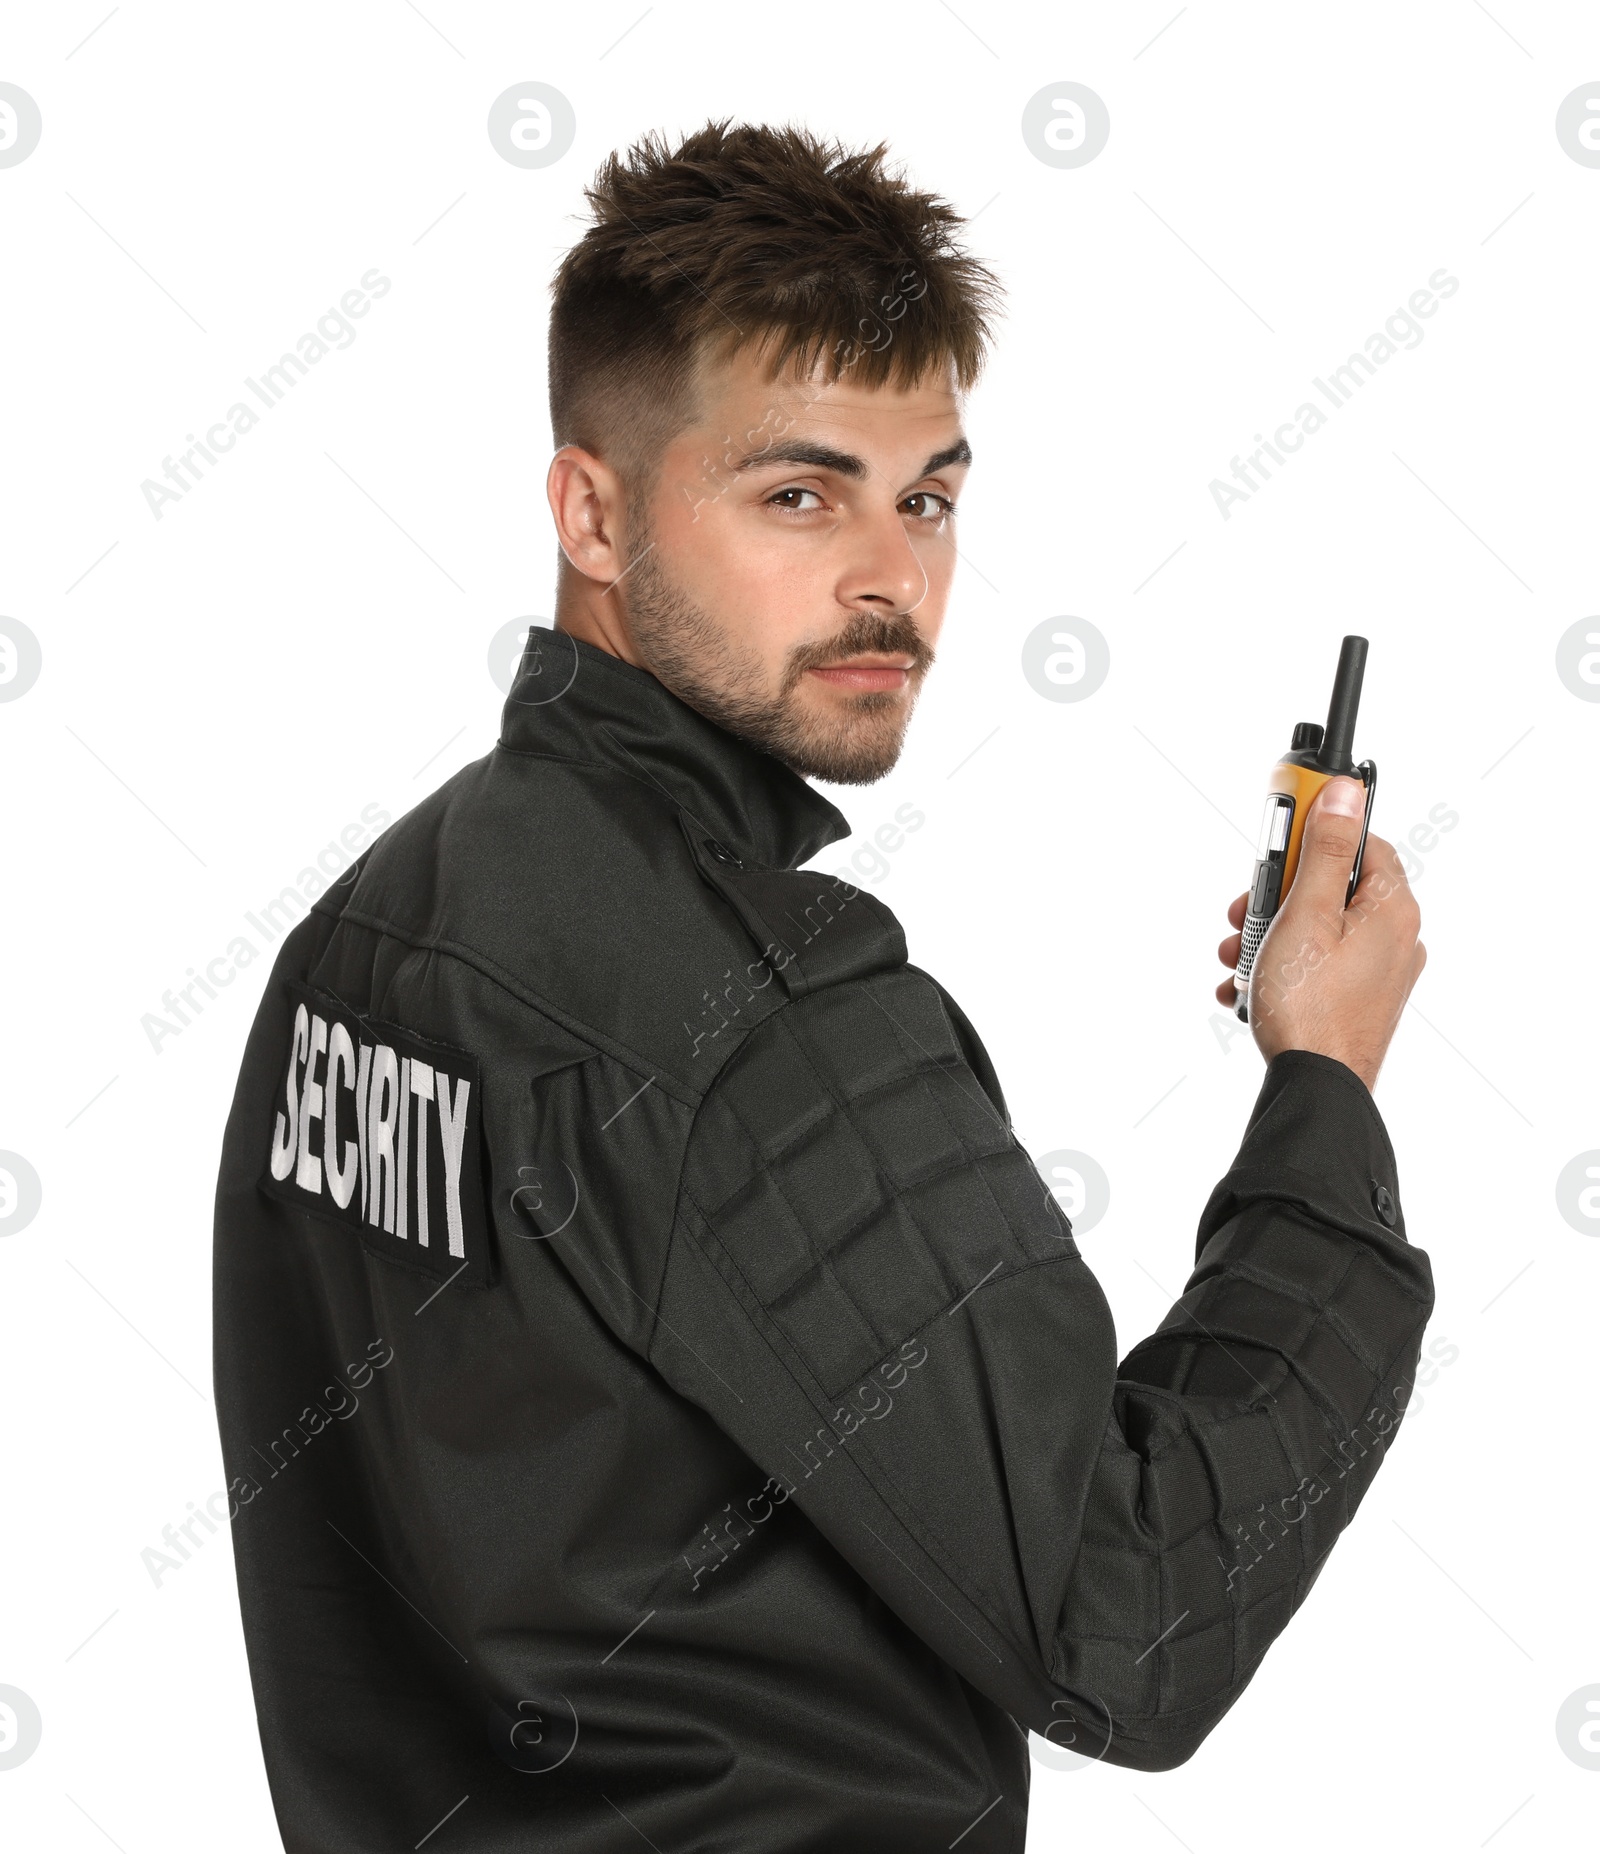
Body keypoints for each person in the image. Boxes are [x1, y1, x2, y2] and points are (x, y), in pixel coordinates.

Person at [213, 120, 1433, 1853]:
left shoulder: (368, 933)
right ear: (593, 509)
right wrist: (1325, 1091)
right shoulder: (757, 1017)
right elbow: (1139, 1615)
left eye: (925, 494)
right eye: (799, 493)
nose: (894, 579)